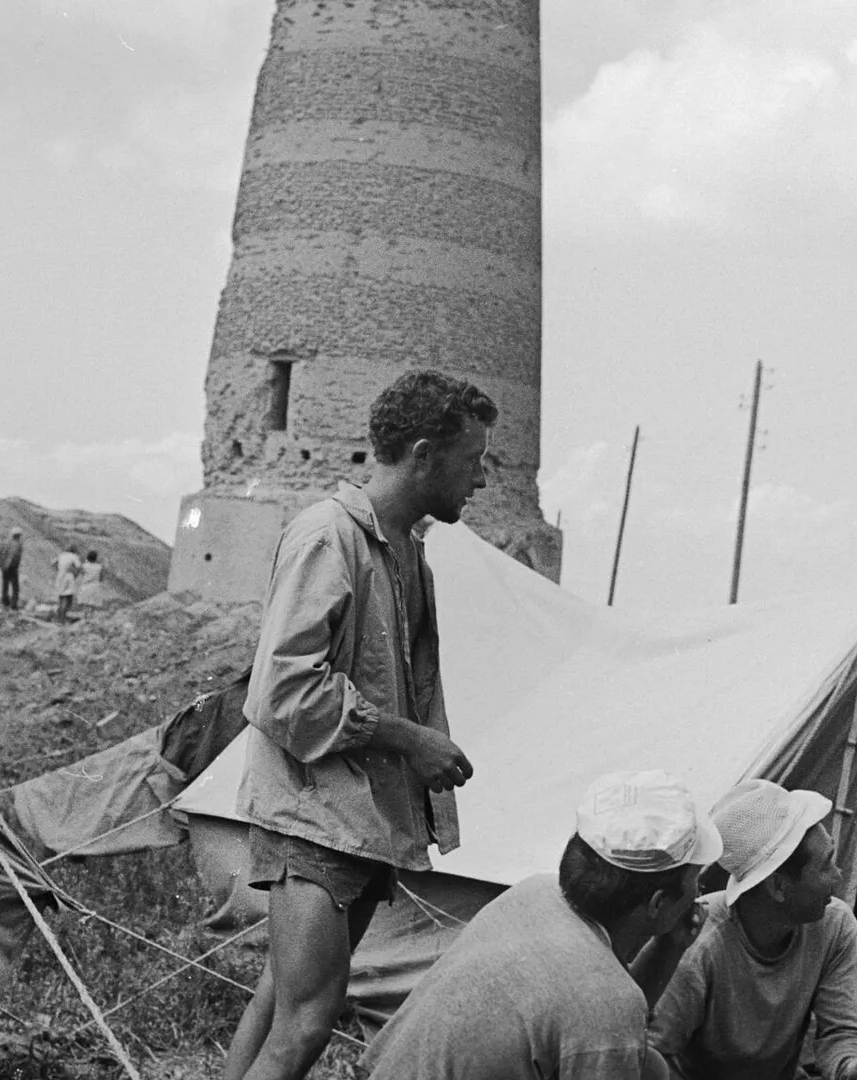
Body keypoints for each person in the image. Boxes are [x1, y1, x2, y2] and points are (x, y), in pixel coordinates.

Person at [224, 369, 493, 1080]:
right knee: (308, 1020)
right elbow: (284, 689)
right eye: (473, 460)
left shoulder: (408, 554)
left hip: (364, 818)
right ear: (425, 455)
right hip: (312, 813)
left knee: (282, 1003)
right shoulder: (328, 536)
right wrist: (410, 739)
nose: (482, 479)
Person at [364, 770, 723, 1079]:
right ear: (658, 903)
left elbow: (601, 1021)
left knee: (650, 1067)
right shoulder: (606, 1002)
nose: (697, 891)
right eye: (694, 879)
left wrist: (670, 945)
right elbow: (604, 1017)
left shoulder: (536, 891)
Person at [650, 779, 857, 1080]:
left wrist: (852, 1067)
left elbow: (845, 1031)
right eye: (826, 865)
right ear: (778, 886)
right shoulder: (697, 943)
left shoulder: (834, 925)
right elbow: (651, 1052)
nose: (837, 876)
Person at [0, 527, 24, 610]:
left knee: (5, 584)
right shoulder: (18, 545)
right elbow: (17, 558)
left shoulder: (5, 542)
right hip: (12, 568)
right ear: (19, 536)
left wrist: (1, 565)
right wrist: (15, 567)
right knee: (15, 587)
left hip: (4, 567)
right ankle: (13, 605)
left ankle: (4, 601)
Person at [53, 547, 82, 622]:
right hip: (68, 577)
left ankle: (59, 617)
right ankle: (62, 619)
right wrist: (75, 574)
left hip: (60, 576)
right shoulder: (74, 556)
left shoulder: (61, 555)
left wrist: (58, 570)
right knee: (67, 597)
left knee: (61, 596)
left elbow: (53, 563)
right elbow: (79, 567)